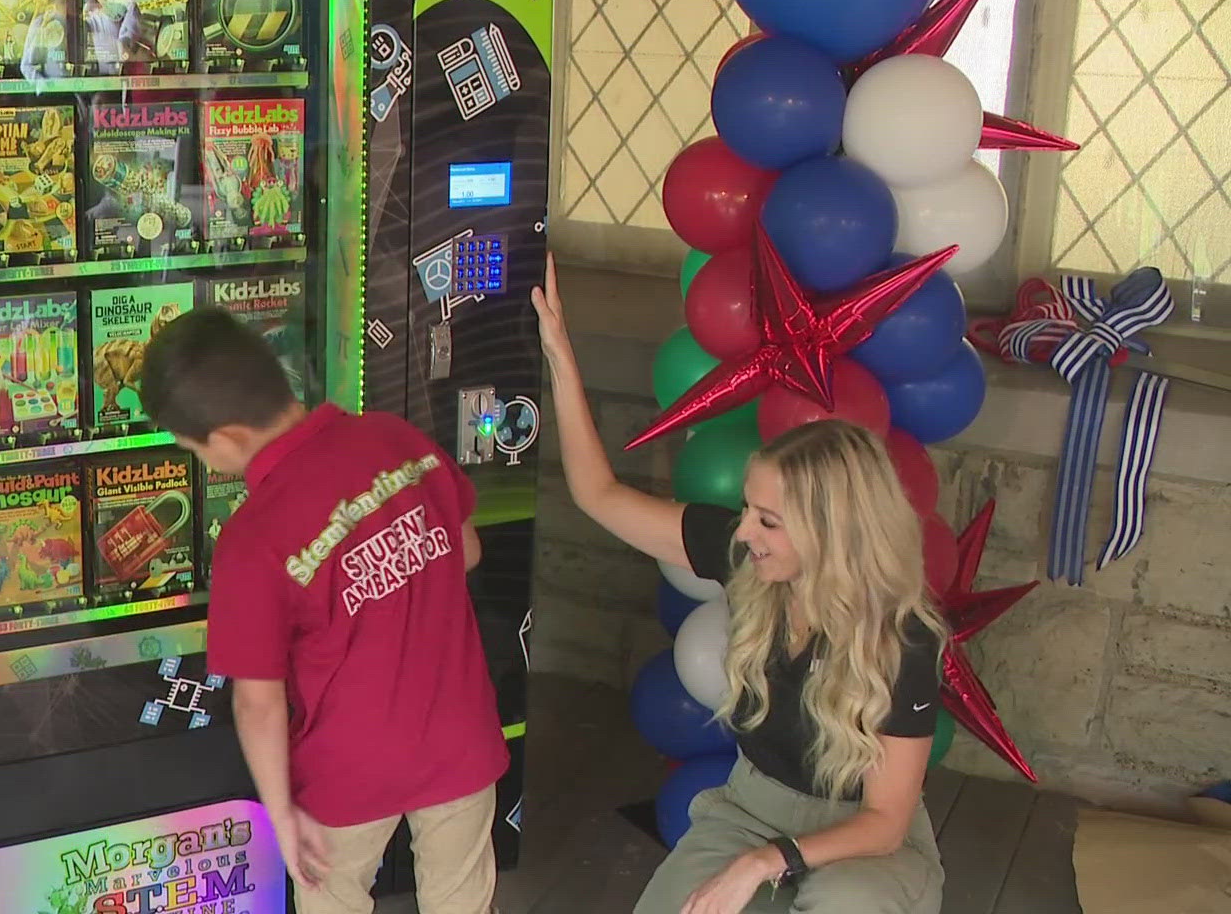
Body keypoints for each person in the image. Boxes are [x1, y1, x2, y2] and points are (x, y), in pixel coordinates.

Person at [530, 256, 946, 914]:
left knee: (845, 906)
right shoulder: (750, 558)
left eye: (769, 520)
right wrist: (559, 354)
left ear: (830, 532)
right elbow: (599, 494)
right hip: (750, 806)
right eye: (749, 510)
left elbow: (886, 821)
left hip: (864, 839)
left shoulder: (903, 638)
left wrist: (764, 862)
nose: (745, 530)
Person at [138, 306, 507, 914]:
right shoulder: (395, 438)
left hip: (348, 772)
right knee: (464, 900)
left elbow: (258, 702)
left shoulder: (253, 538)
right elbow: (465, 551)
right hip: (460, 738)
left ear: (225, 439)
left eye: (194, 449)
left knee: (333, 899)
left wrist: (282, 820)